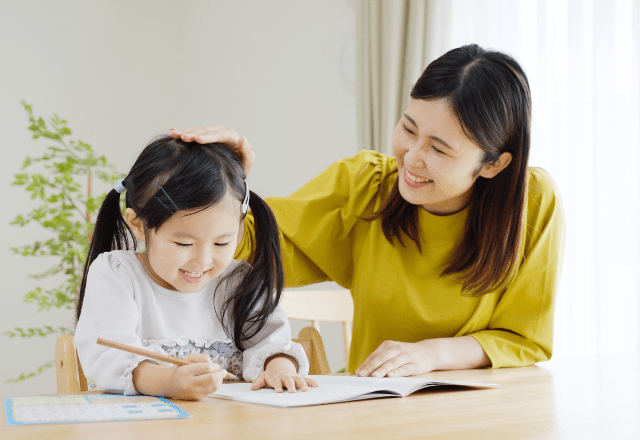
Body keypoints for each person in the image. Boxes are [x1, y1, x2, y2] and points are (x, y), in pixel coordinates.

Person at [170, 44, 565, 378]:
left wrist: (430, 354)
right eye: (409, 129)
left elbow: (522, 339)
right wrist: (229, 184)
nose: (412, 158)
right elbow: (247, 249)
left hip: (486, 416)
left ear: (494, 164)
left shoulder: (532, 203)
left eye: (439, 149)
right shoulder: (365, 186)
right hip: (381, 411)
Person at [74, 135, 317, 400]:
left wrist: (278, 367)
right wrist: (168, 382)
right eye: (183, 243)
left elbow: (272, 342)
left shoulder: (237, 279)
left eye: (222, 242)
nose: (203, 261)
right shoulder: (117, 274)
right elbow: (108, 355)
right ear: (137, 224)